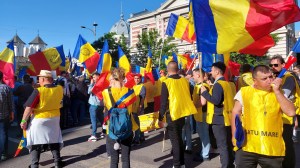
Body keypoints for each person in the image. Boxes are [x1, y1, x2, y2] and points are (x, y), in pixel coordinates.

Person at [232, 65, 295, 168]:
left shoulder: (278, 92)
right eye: (264, 79)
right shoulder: (244, 91)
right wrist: (234, 136)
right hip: (247, 146)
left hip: (271, 148)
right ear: (254, 80)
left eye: (271, 77)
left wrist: (278, 92)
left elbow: (291, 112)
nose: (269, 81)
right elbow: (236, 112)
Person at [20, 70, 64, 168]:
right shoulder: (60, 88)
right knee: (54, 140)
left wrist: (23, 121)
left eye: (39, 78)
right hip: (55, 118)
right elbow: (60, 103)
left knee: (36, 142)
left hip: (40, 119)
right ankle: (57, 163)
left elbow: (29, 107)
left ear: (43, 79)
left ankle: (34, 165)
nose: (38, 79)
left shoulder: (39, 91)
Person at [158, 61, 197, 168]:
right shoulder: (185, 80)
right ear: (177, 69)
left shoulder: (166, 82)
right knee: (179, 138)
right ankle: (182, 161)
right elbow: (189, 95)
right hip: (183, 113)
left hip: (172, 114)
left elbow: (163, 102)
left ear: (167, 70)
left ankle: (177, 164)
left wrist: (160, 118)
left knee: (175, 140)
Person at [200, 62, 235, 168]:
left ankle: (225, 165)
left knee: (222, 146)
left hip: (219, 119)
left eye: (212, 70)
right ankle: (230, 164)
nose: (210, 72)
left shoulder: (219, 85)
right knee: (227, 144)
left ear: (217, 71)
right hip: (226, 117)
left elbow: (216, 100)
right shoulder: (226, 83)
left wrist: (204, 93)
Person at [102, 68, 137, 168]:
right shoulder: (131, 92)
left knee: (114, 159)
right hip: (127, 127)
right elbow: (134, 109)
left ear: (113, 77)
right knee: (126, 158)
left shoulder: (106, 92)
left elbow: (105, 107)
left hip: (112, 129)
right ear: (123, 78)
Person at [270, 55, 298, 168]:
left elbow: (283, 95)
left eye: (276, 65)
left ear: (283, 65)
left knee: (286, 145)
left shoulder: (288, 77)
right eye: (271, 65)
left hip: (286, 117)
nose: (273, 67)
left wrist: (274, 87)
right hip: (277, 116)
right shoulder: (277, 77)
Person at [192, 68, 211, 162]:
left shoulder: (203, 86)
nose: (192, 77)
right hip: (199, 114)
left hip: (203, 114)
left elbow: (203, 102)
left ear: (198, 75)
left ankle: (205, 154)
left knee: (204, 135)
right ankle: (204, 151)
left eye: (194, 75)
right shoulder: (199, 85)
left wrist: (192, 106)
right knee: (203, 134)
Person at [0, 71, 14, 161]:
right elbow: (11, 103)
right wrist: (12, 114)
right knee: (3, 133)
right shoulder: (6, 88)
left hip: (4, 115)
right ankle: (4, 154)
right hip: (4, 115)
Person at [87, 72, 104, 142]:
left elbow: (89, 91)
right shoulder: (103, 84)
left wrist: (91, 83)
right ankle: (104, 132)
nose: (93, 79)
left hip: (94, 104)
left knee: (93, 120)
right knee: (102, 120)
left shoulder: (96, 85)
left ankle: (94, 135)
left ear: (98, 77)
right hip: (100, 104)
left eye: (94, 77)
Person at [132, 73, 146, 145]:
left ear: (140, 79)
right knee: (138, 123)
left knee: (137, 123)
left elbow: (142, 98)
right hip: (133, 107)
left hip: (139, 107)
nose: (136, 80)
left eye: (138, 78)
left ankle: (137, 139)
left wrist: (140, 107)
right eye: (135, 78)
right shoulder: (133, 86)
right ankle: (142, 137)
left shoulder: (142, 86)